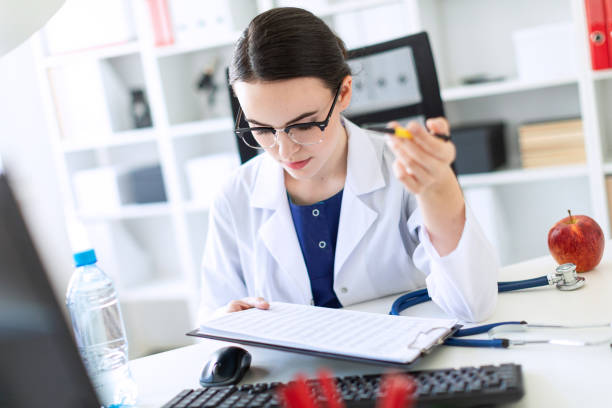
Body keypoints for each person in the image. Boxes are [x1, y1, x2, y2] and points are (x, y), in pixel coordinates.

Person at [198, 7, 499, 323]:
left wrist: (441, 194)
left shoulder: (406, 172)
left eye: (305, 124)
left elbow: (473, 306)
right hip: (294, 371)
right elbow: (214, 319)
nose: (284, 149)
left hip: (404, 362)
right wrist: (227, 320)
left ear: (343, 93)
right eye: (260, 129)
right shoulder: (234, 196)